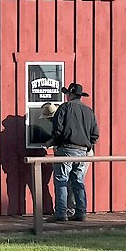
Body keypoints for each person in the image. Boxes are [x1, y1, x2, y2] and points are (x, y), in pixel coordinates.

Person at [48, 83, 99, 222]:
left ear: (69, 95)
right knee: (78, 181)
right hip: (83, 151)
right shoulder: (89, 111)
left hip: (66, 149)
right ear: (80, 96)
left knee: (61, 180)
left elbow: (57, 130)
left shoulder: (64, 107)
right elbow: (95, 134)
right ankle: (81, 212)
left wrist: (53, 143)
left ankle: (61, 213)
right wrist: (88, 146)